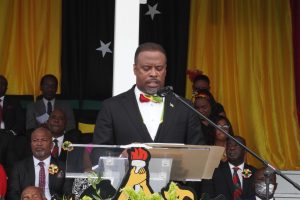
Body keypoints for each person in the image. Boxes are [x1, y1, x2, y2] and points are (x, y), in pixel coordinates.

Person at [93, 42, 204, 145]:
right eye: (146, 68)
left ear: (165, 70)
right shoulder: (111, 107)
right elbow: (99, 153)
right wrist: (123, 158)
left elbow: (199, 152)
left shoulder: (185, 107)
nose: (153, 73)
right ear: (135, 69)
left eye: (159, 68)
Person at [7, 127, 72, 200]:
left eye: (43, 140)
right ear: (31, 145)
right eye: (35, 140)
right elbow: (13, 194)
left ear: (51, 145)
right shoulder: (18, 167)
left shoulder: (63, 167)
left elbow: (68, 193)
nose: (39, 143)